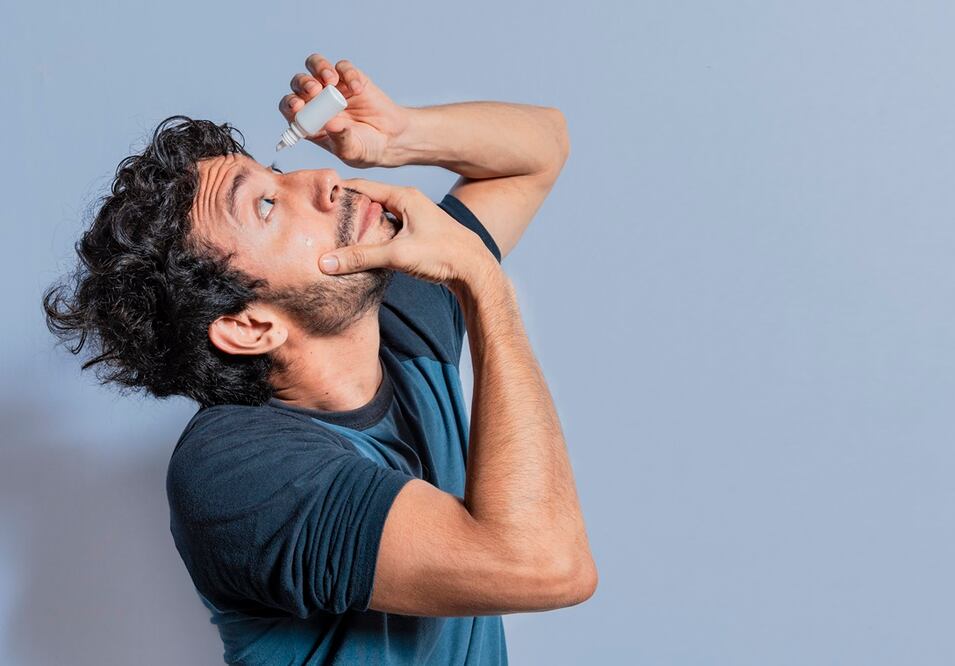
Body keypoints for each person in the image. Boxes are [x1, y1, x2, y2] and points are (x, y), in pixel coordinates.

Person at [42, 53, 597, 664]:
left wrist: (399, 136)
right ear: (249, 326)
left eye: (275, 176)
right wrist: (482, 284)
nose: (322, 180)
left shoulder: (397, 315)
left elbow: (543, 147)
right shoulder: (234, 474)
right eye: (265, 207)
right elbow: (545, 566)